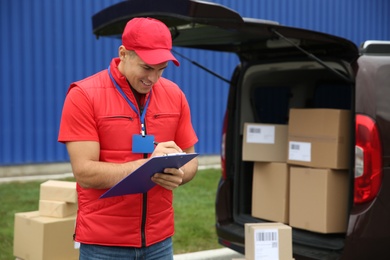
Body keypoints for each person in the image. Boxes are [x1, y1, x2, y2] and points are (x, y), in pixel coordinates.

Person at [58, 17, 198, 260]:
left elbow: (191, 160)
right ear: (123, 53)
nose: (153, 79)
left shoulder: (175, 95)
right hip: (104, 244)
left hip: (159, 242)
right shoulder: (83, 96)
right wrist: (146, 167)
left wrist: (180, 174)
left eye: (161, 69)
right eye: (146, 68)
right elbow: (84, 172)